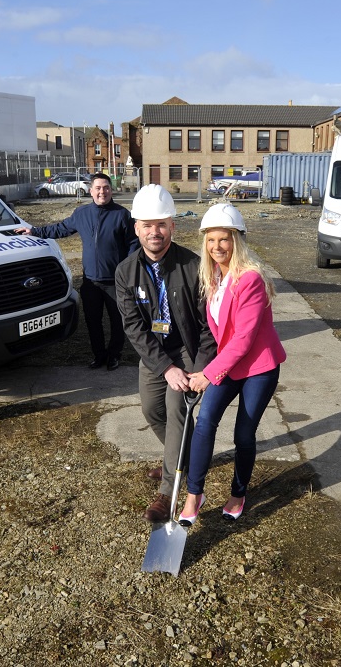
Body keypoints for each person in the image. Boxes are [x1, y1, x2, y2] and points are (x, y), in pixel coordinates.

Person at [178, 204, 286, 527]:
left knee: (243, 433)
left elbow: (243, 339)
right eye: (211, 240)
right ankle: (194, 493)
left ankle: (238, 493)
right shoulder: (212, 276)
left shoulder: (249, 279)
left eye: (223, 239)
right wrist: (207, 368)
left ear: (236, 240)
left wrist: (208, 373)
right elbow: (217, 333)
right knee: (206, 417)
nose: (216, 247)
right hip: (228, 365)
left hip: (259, 368)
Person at [116, 184, 215, 522]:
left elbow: (207, 326)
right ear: (137, 228)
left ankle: (168, 493)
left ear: (173, 226)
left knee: (177, 412)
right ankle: (180, 459)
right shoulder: (125, 272)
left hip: (187, 351)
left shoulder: (194, 266)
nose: (154, 232)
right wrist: (164, 367)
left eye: (161, 224)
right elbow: (134, 328)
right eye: (147, 224)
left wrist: (199, 369)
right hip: (156, 355)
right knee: (151, 410)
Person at [16, 172, 137, 370]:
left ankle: (114, 355)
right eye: (98, 188)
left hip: (115, 282)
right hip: (90, 281)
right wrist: (34, 231)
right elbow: (60, 229)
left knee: (118, 321)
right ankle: (99, 355)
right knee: (92, 321)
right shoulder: (81, 214)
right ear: (91, 191)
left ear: (111, 190)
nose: (102, 192)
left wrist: (127, 269)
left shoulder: (122, 215)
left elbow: (133, 243)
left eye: (106, 188)